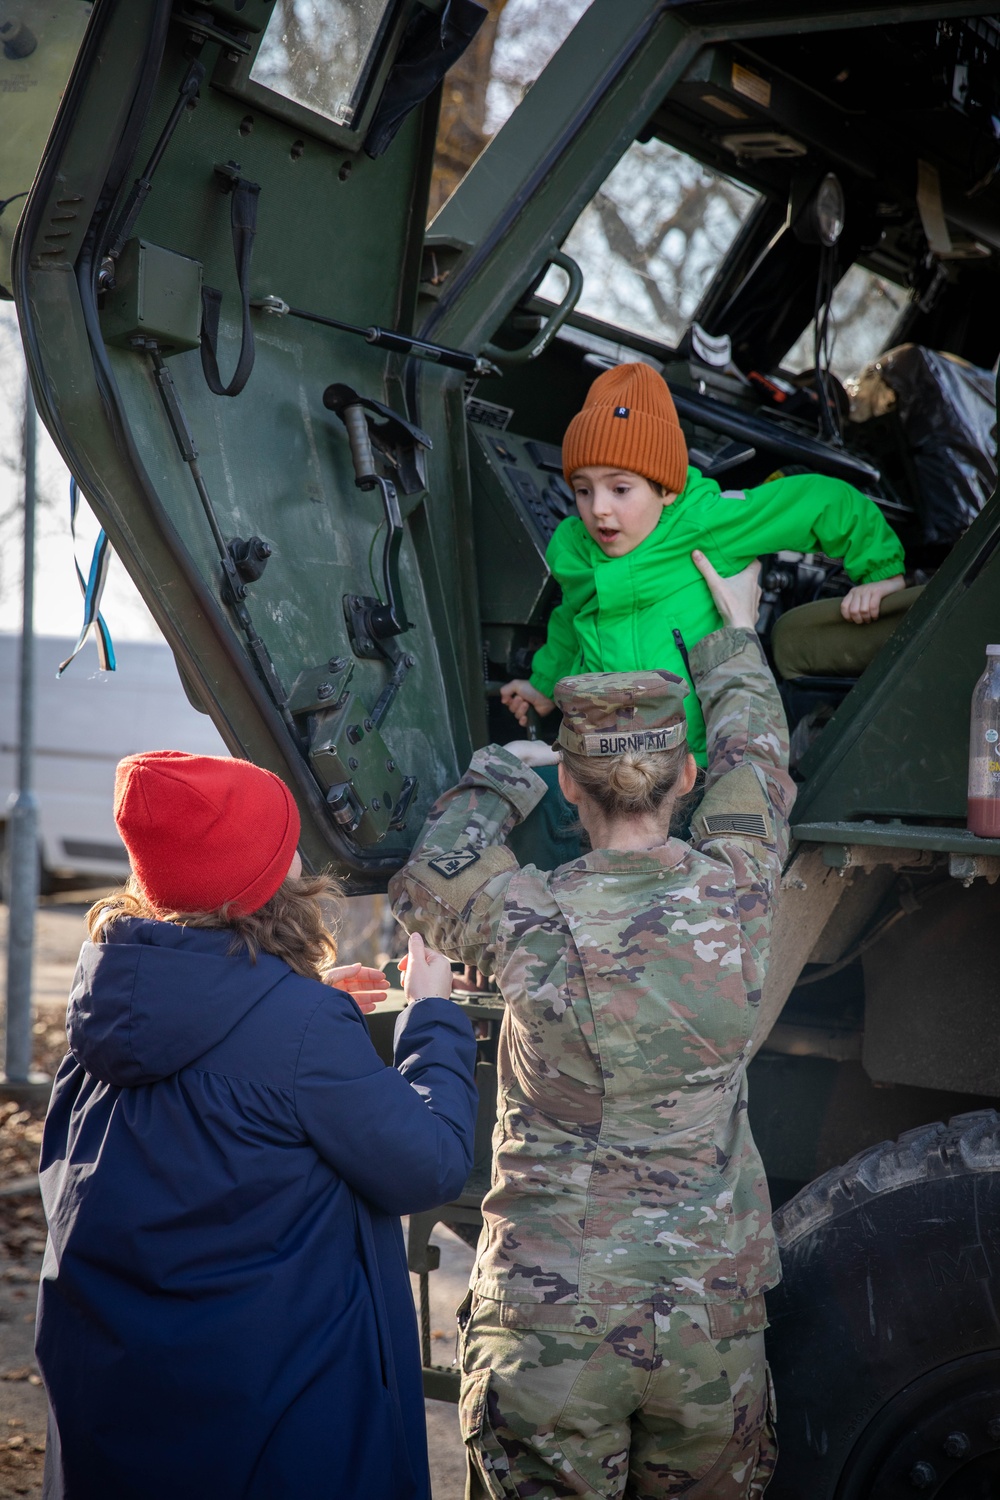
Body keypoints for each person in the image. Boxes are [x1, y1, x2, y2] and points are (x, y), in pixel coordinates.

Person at [390, 553, 794, 1499]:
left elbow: (427, 877)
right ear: (685, 776)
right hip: (708, 1318)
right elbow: (759, 761)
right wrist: (732, 636)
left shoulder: (522, 915)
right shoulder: (741, 889)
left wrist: (507, 769)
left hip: (550, 1319)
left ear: (573, 788)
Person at [35, 749, 477, 1500]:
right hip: (280, 1436)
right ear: (264, 886)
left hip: (126, 1419)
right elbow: (429, 1164)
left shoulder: (106, 996)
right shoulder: (298, 1030)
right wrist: (433, 1018)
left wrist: (309, 1004)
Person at [501, 360, 905, 766]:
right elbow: (568, 624)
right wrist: (542, 684)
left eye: (620, 488)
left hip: (690, 760)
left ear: (667, 490)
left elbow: (821, 501)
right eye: (583, 490)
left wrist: (880, 572)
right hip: (603, 760)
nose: (599, 509)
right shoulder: (575, 547)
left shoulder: (705, 524)